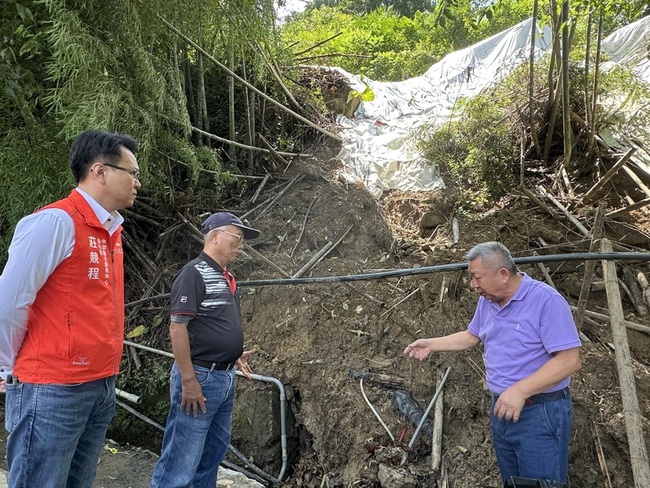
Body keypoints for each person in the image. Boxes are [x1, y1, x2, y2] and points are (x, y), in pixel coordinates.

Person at [0, 129, 141, 487]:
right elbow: (11, 299)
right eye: (132, 172)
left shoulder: (110, 231)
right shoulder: (56, 222)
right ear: (100, 171)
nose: (138, 182)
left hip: (99, 385)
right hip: (51, 388)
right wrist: (7, 369)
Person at [404, 242, 581, 486]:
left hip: (540, 411)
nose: (473, 285)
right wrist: (431, 344)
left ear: (503, 274)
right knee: (512, 481)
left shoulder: (545, 301)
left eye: (477, 277)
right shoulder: (488, 300)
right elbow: (472, 335)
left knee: (540, 484)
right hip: (502, 409)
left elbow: (569, 360)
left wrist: (520, 390)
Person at [150, 212, 260, 488]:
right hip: (200, 377)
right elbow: (178, 328)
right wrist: (189, 380)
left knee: (211, 455)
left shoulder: (227, 277)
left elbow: (211, 324)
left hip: (223, 377)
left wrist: (232, 355)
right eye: (237, 237)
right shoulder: (193, 273)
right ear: (215, 236)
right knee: (181, 459)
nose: (241, 245)